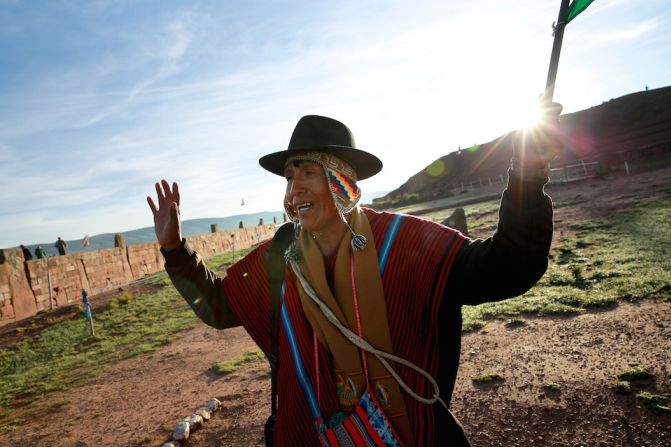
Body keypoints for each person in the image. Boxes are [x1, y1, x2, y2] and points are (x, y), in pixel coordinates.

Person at [148, 108, 561, 446]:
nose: (294, 189)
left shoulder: (403, 241)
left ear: (341, 179)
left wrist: (526, 179)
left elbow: (507, 268)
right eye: (290, 177)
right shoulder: (280, 257)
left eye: (308, 172)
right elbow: (220, 306)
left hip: (409, 435)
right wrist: (175, 249)